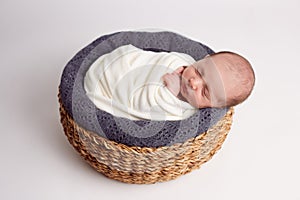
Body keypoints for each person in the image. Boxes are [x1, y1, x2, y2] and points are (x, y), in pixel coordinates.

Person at [162, 52, 255, 108]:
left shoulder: (187, 112)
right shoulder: (180, 60)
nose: (193, 83)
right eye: (198, 72)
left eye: (204, 92)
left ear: (215, 107)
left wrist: (169, 94)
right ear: (203, 59)